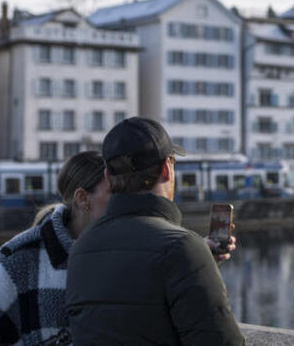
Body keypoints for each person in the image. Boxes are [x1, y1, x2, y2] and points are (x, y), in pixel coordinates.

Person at [65, 117, 244, 345]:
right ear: (166, 169)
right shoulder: (181, 247)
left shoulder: (82, 246)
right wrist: (195, 261)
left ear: (108, 177)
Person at [0, 151, 111, 345]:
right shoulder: (20, 256)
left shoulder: (125, 249)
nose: (123, 201)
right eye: (113, 193)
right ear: (83, 198)